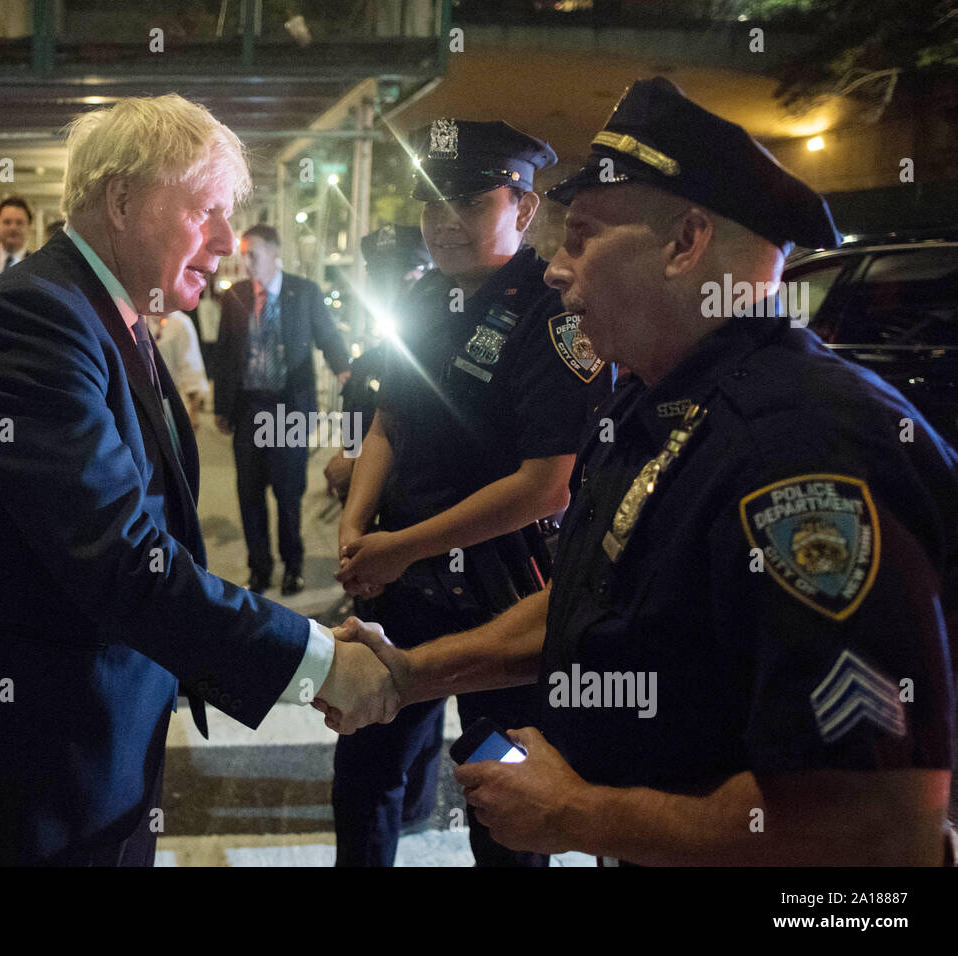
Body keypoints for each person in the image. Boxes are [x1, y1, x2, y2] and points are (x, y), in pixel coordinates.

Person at [335, 78, 958, 866]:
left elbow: (871, 831)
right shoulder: (655, 407)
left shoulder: (803, 454)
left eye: (583, 236)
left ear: (684, 244)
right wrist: (412, 673)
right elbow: (597, 597)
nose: (556, 270)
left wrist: (576, 815)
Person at [0, 94, 399, 867]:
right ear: (123, 199)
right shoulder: (35, 322)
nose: (227, 240)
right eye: (206, 210)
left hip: (94, 744)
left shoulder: (109, 314)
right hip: (42, 762)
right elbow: (122, 560)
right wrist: (317, 662)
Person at [331, 119, 614, 867]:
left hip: (505, 606)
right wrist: (357, 526)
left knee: (505, 801)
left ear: (522, 210)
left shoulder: (551, 314)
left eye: (466, 202)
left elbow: (546, 486)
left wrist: (398, 546)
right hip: (403, 592)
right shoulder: (422, 301)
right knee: (366, 776)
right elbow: (388, 420)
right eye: (429, 204)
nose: (442, 223)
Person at [212, 224, 352, 595]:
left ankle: (293, 566)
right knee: (250, 493)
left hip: (288, 409)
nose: (246, 261)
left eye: (252, 254)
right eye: (243, 254)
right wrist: (221, 406)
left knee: (289, 493)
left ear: (275, 254)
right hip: (249, 409)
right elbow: (225, 353)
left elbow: (329, 338)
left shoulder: (303, 293)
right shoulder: (236, 296)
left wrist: (346, 372)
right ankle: (259, 569)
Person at [323, 223, 433, 503]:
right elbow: (356, 432)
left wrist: (356, 466)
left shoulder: (443, 357)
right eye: (382, 284)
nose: (393, 295)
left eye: (406, 282)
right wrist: (345, 455)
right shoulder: (366, 365)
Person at [148, 311, 209, 429]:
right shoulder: (141, 318)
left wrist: (193, 414)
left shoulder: (181, 323)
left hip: (171, 401)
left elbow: (191, 371)